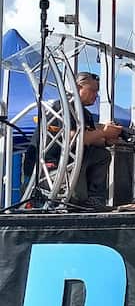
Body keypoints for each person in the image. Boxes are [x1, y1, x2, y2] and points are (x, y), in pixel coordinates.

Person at [23, 72, 123, 208]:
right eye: (93, 90)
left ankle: (95, 198)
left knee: (102, 154)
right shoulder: (61, 107)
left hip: (71, 163)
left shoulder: (85, 114)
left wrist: (107, 141)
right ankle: (75, 199)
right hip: (48, 167)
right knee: (78, 189)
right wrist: (104, 131)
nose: (96, 95)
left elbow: (91, 139)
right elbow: (73, 137)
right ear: (77, 87)